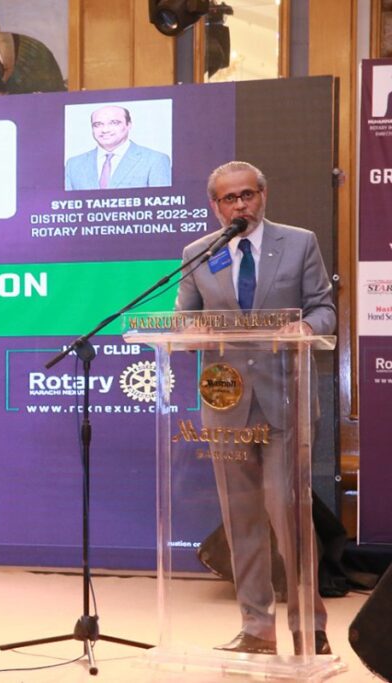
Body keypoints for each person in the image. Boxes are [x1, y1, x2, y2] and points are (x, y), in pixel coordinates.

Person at [175, 161, 336, 657]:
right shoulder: (199, 252)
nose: (240, 204)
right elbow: (184, 317)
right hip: (226, 403)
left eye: (247, 194)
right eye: (229, 198)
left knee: (289, 515)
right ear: (215, 206)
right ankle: (257, 629)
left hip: (285, 399)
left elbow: (324, 308)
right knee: (241, 519)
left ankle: (309, 627)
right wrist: (193, 329)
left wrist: (305, 327)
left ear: (262, 196)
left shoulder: (299, 242)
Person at [64, 104, 171, 191]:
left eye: (114, 123)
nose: (105, 130)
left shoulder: (155, 160)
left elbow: (162, 206)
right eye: (98, 124)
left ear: (129, 125)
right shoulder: (73, 164)